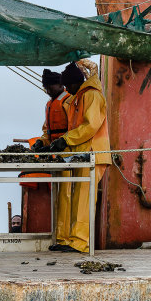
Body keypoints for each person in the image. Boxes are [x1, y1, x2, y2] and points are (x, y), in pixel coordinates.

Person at [49, 61, 111, 253]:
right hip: (81, 154)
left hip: (92, 153)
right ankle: (70, 239)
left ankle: (80, 242)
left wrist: (66, 139)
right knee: (77, 198)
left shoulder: (92, 95)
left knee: (84, 199)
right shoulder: (80, 96)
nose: (67, 89)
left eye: (69, 85)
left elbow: (91, 126)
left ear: (76, 83)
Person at [30, 69, 73, 251]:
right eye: (45, 87)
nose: (47, 90)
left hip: (69, 152)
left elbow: (75, 127)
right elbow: (47, 131)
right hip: (56, 155)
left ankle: (67, 240)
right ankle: (60, 238)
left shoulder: (69, 101)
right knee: (59, 197)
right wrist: (41, 142)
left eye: (49, 86)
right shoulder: (50, 104)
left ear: (61, 84)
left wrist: (65, 143)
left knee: (67, 196)